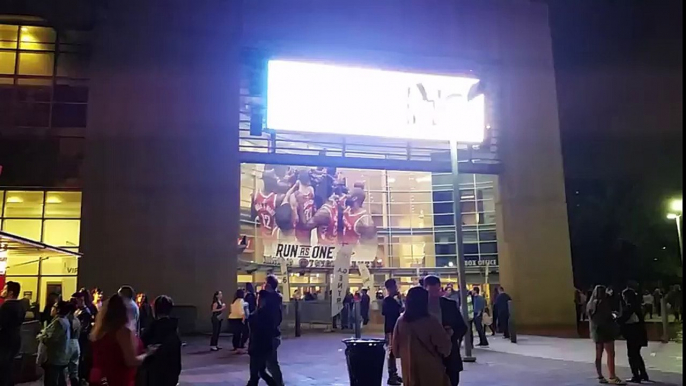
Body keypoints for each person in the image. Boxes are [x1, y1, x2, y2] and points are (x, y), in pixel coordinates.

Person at [392, 286, 453, 386]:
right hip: (431, 371)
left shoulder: (401, 321)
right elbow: (445, 348)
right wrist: (448, 333)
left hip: (409, 372)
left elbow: (396, 351)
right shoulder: (431, 321)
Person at [90, 294, 154, 386]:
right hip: (119, 379)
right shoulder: (122, 331)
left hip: (102, 378)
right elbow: (131, 361)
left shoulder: (101, 331)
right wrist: (148, 354)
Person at [424, 275, 468, 386]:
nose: (434, 295)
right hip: (429, 355)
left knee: (452, 380)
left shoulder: (449, 305)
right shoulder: (421, 308)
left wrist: (451, 334)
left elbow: (462, 327)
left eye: (436, 290)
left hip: (450, 354)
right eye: (431, 291)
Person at [140, 295, 182, 386]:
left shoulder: (152, 329)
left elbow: (142, 347)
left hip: (154, 375)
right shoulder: (174, 328)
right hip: (171, 375)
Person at [587, 285, 625, 385]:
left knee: (598, 355)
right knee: (610, 354)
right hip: (606, 331)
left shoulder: (590, 304)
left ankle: (600, 375)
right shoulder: (603, 303)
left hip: (596, 331)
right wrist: (614, 316)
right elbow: (607, 317)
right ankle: (612, 375)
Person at [247, 290, 278, 386]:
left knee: (255, 373)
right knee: (260, 371)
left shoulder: (262, 314)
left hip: (258, 345)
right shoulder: (268, 313)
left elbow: (256, 327)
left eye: (258, 298)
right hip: (263, 346)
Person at [618, 287, 649, 383]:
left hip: (633, 334)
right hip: (639, 333)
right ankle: (643, 374)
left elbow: (624, 319)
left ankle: (636, 375)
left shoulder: (630, 307)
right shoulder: (636, 306)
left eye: (624, 296)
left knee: (632, 355)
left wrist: (616, 319)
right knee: (637, 354)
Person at [39, 300, 73, 386]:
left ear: (58, 310)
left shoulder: (58, 322)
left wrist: (41, 336)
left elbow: (51, 338)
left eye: (54, 307)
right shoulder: (64, 320)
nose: (51, 309)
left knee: (51, 380)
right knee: (60, 379)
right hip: (60, 356)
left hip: (54, 357)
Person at [0, 281, 25, 386]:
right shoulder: (21, 306)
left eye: (4, 289)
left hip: (4, 340)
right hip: (16, 338)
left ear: (10, 292)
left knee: (3, 368)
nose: (2, 291)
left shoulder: (6, 307)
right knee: (9, 366)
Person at [263, 275, 285, 386]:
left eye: (265, 283)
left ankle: (277, 383)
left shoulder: (272, 299)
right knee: (268, 363)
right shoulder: (273, 298)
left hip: (270, 335)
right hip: (271, 334)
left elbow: (274, 318)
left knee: (270, 363)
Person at [382, 279, 404, 386]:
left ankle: (394, 373)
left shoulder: (393, 300)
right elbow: (398, 311)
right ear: (390, 288)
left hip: (395, 328)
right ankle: (391, 375)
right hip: (391, 329)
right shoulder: (388, 301)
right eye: (395, 286)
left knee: (394, 351)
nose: (396, 288)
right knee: (391, 352)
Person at [72, 291, 94, 384]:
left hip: (81, 340)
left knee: (80, 360)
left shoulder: (85, 312)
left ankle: (81, 378)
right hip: (78, 339)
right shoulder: (78, 311)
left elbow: (83, 328)